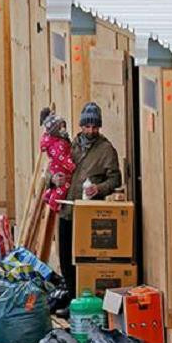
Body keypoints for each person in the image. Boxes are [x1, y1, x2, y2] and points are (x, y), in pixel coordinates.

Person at [50, 102, 122, 295]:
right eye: (87, 126)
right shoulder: (71, 145)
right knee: (65, 257)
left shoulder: (106, 150)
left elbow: (115, 178)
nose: (91, 130)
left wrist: (99, 188)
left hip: (88, 213)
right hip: (67, 209)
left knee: (83, 260)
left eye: (95, 127)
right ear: (81, 126)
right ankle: (71, 296)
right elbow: (54, 167)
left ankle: (81, 296)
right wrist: (54, 179)